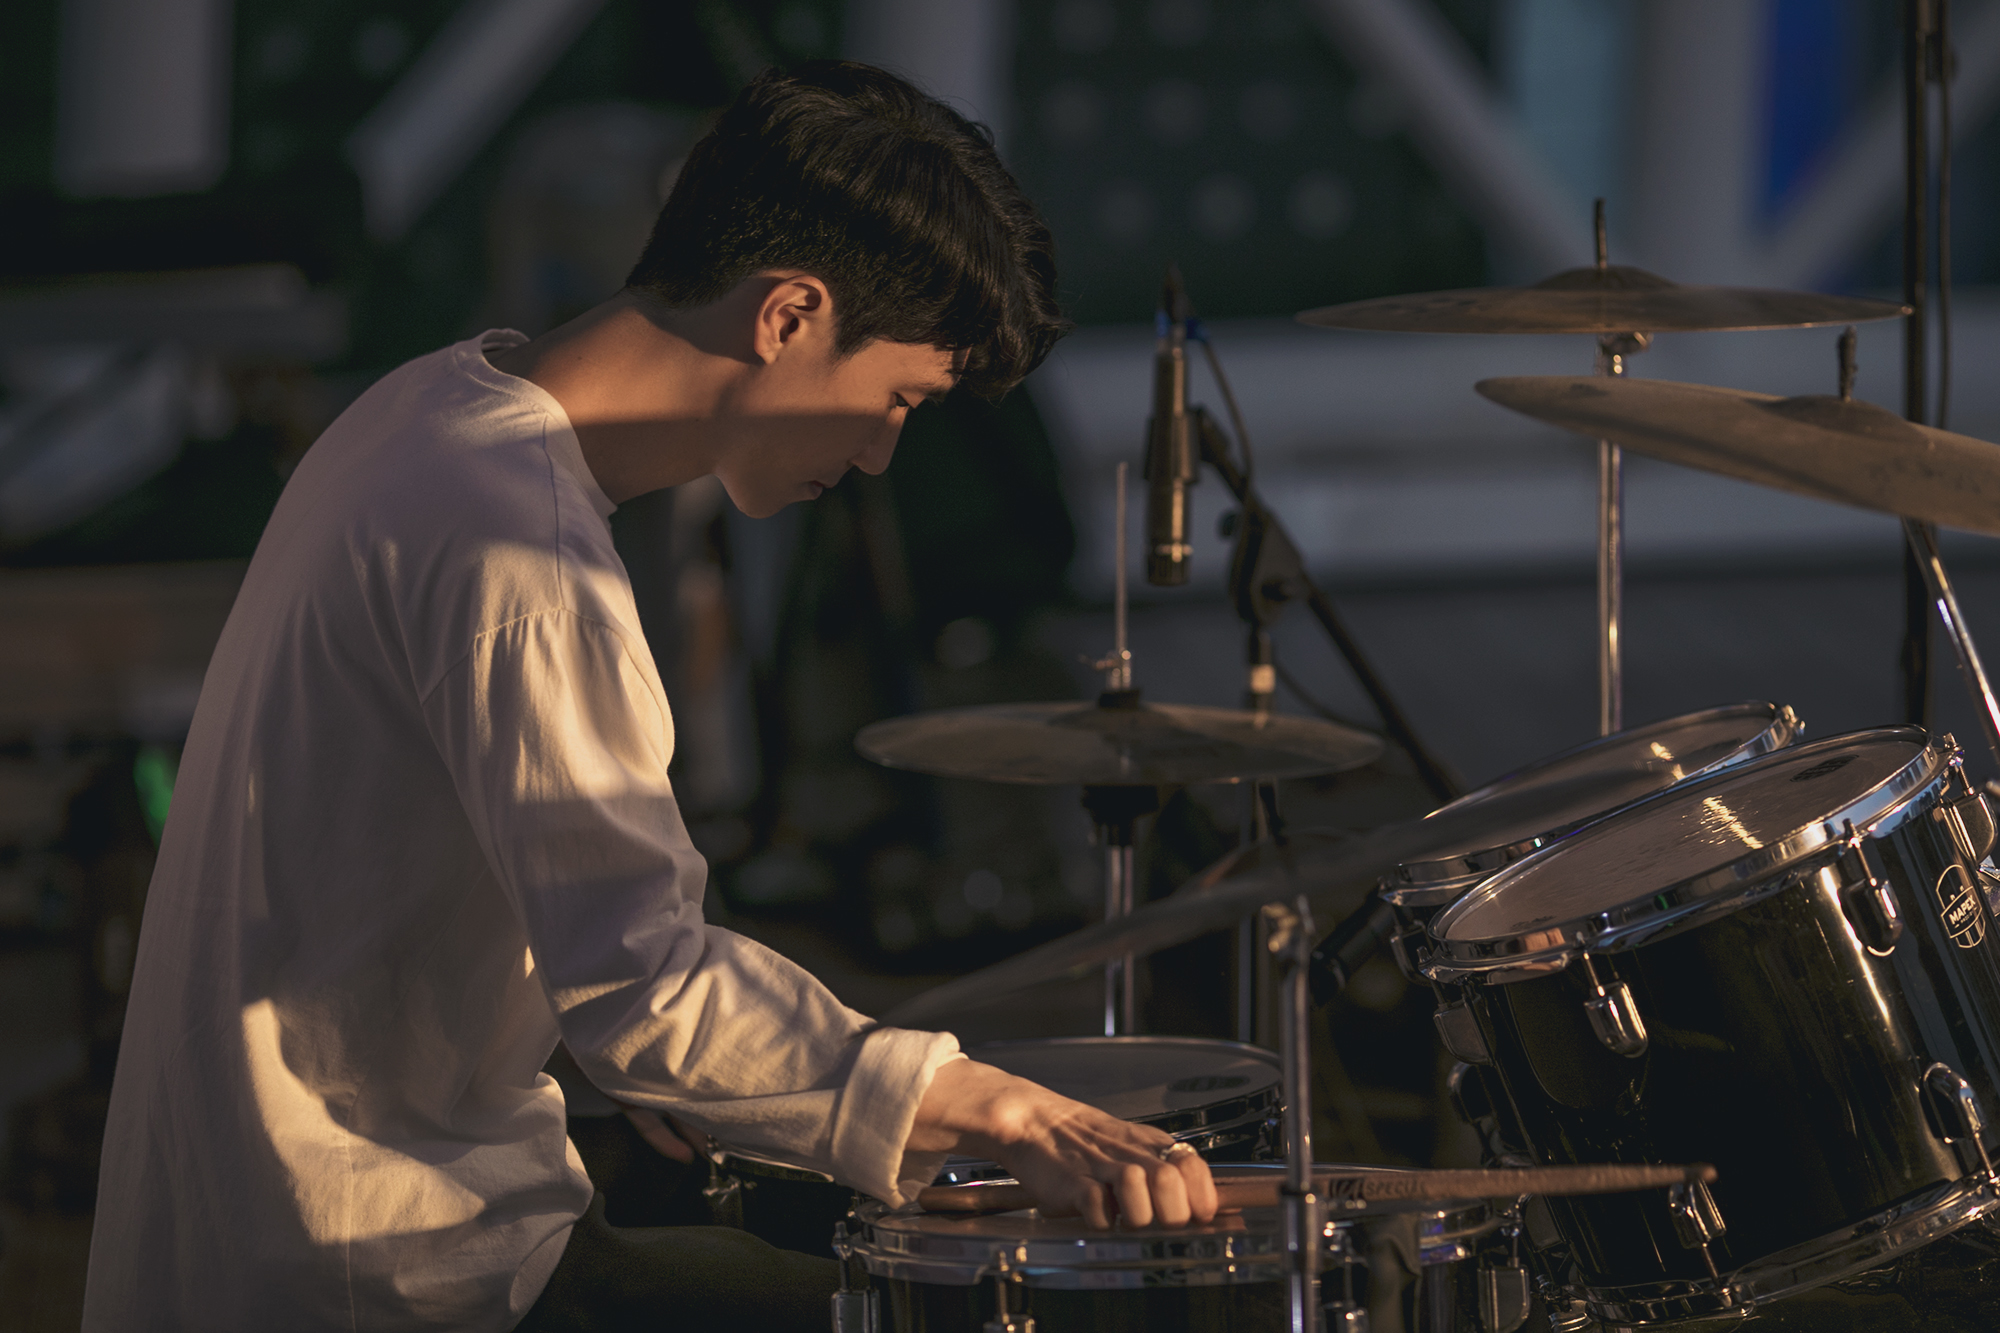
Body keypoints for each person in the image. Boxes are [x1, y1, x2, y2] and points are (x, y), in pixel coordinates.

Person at [81, 61, 1216, 1333]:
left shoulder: (426, 408)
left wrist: (713, 1071)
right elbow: (650, 994)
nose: (879, 454)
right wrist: (999, 1108)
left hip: (266, 1211)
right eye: (896, 399)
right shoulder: (521, 556)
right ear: (788, 314)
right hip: (382, 1266)